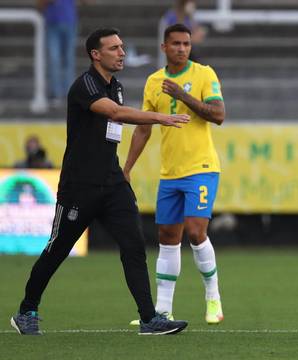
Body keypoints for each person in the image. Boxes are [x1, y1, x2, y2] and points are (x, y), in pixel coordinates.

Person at [10, 28, 190, 336]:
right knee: (56, 250)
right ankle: (26, 310)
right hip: (80, 185)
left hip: (113, 182)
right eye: (114, 48)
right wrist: (159, 117)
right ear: (96, 54)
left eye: (121, 47)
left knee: (133, 245)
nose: (122, 53)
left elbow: (114, 121)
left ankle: (149, 318)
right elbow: (116, 113)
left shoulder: (115, 85)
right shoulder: (86, 86)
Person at [124, 23, 225, 326]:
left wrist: (183, 95)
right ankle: (163, 309)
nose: (182, 48)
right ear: (164, 47)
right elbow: (143, 128)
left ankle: (213, 297)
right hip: (170, 173)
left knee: (196, 231)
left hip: (202, 168)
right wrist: (127, 167)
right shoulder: (153, 81)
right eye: (176, 44)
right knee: (168, 238)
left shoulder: (204, 74)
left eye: (186, 44)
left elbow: (218, 115)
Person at [37, 0, 79, 105]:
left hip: (69, 22)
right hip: (52, 23)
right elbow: (39, 4)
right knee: (54, 58)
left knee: (68, 59)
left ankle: (68, 91)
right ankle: (55, 92)